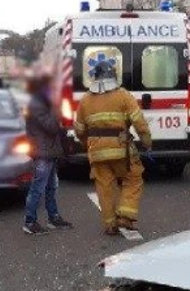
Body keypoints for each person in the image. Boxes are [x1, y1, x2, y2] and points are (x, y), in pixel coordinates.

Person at [74, 60, 151, 235]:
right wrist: (147, 142)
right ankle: (125, 216)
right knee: (133, 177)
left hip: (96, 152)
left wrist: (87, 144)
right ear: (113, 76)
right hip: (121, 149)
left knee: (104, 186)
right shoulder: (123, 95)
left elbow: (79, 130)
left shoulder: (85, 100)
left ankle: (110, 225)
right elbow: (139, 122)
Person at [23, 70, 73, 235]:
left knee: (51, 187)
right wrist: (57, 108)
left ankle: (53, 217)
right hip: (42, 151)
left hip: (50, 151)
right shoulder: (37, 104)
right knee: (37, 188)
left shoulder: (43, 102)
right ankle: (29, 221)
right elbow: (51, 127)